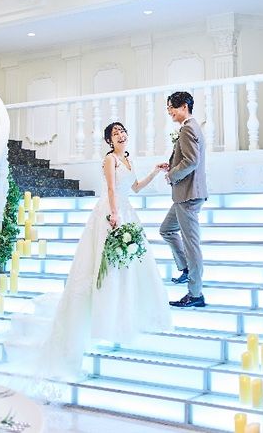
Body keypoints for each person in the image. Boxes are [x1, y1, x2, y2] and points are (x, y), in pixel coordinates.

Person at [38, 121, 172, 379]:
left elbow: (135, 187)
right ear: (110, 140)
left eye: (122, 131)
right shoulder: (110, 160)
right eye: (115, 133)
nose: (120, 135)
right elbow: (111, 189)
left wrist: (155, 172)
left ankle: (123, 316)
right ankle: (103, 319)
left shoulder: (128, 160)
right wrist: (114, 214)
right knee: (105, 264)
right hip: (111, 214)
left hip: (127, 211)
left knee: (127, 265)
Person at [159, 91, 208, 309]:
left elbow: (192, 161)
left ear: (184, 107)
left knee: (191, 245)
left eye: (171, 107)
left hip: (188, 194)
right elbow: (187, 159)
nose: (169, 111)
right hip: (184, 195)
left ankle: (195, 293)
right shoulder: (190, 127)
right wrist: (172, 165)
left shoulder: (188, 128)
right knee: (166, 229)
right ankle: (186, 269)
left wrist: (172, 175)